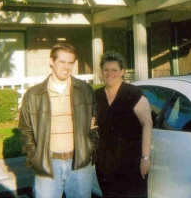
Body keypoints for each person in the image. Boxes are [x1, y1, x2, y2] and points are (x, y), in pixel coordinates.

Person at [18, 42, 98, 198]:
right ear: (51, 62)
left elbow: (95, 126)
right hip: (48, 165)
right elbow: (25, 130)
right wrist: (35, 157)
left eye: (70, 63)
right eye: (62, 62)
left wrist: (90, 149)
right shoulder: (33, 95)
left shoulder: (85, 91)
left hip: (79, 164)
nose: (66, 67)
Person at [95, 51, 153, 197]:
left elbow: (147, 123)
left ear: (122, 72)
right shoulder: (96, 96)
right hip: (105, 165)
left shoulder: (133, 93)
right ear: (101, 71)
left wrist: (145, 158)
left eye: (114, 70)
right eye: (106, 70)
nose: (109, 74)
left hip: (131, 163)